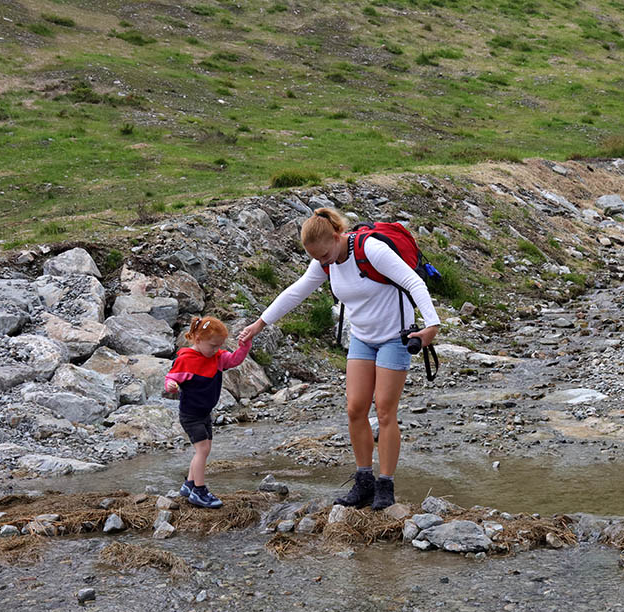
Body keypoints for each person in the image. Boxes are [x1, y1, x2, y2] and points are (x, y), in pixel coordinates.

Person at [238, 208, 439, 510]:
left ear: (337, 236)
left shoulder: (371, 249)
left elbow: (414, 283)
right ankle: (364, 481)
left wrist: (431, 326)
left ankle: (386, 485)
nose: (321, 263)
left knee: (384, 411)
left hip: (395, 336)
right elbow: (296, 292)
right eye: (316, 258)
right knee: (355, 409)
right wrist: (259, 324)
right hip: (361, 338)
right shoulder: (326, 260)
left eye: (323, 255)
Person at [164, 316, 251, 508]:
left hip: (204, 412)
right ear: (197, 340)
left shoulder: (217, 358)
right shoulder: (186, 359)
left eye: (219, 346)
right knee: (202, 450)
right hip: (190, 414)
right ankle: (199, 491)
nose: (216, 350)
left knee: (206, 448)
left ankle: (189, 484)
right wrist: (171, 386)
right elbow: (171, 378)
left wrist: (244, 347)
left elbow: (234, 359)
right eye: (212, 346)